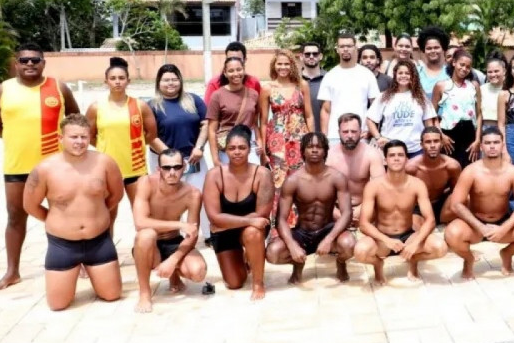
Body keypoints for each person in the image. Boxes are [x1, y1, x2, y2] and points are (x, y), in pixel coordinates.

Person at [0, 43, 79, 290]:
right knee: (16, 216)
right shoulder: (1, 91)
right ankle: (12, 271)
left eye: (35, 60)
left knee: (66, 213)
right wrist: (19, 142)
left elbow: (75, 121)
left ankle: (78, 263)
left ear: (43, 63)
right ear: (16, 63)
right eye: (24, 60)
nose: (30, 64)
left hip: (56, 167)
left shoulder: (59, 88)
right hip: (17, 167)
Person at [23, 113, 123, 310]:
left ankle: (93, 269)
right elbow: (30, 205)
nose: (79, 142)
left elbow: (116, 195)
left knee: (112, 295)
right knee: (58, 305)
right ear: (61, 139)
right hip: (63, 245)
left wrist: (97, 215)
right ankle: (72, 270)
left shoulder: (105, 163)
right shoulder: (44, 169)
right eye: (74, 137)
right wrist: (56, 220)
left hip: (99, 241)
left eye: (84, 137)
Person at [444, 127, 514, 279]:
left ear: (502, 145)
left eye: (496, 142)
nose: (492, 146)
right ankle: (469, 259)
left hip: (502, 221)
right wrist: (481, 227)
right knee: (452, 234)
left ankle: (507, 253)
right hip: (475, 224)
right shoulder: (471, 171)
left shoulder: (513, 172)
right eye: (488, 143)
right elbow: (456, 204)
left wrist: (503, 229)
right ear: (481, 146)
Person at [352, 141, 447, 283]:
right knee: (360, 251)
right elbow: (364, 224)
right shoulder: (374, 186)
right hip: (382, 239)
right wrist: (387, 241)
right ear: (385, 160)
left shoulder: (417, 184)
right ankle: (378, 264)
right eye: (392, 155)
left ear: (406, 159)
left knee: (440, 248)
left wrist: (415, 244)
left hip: (408, 237)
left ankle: (414, 259)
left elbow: (430, 220)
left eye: (400, 155)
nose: (396, 158)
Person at [265, 133, 353, 285]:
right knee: (273, 253)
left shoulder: (337, 177)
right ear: (303, 151)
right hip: (302, 232)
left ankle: (340, 261)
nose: (314, 150)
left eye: (318, 147)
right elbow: (280, 219)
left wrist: (329, 239)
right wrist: (292, 246)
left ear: (325, 151)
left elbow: (347, 213)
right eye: (310, 147)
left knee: (349, 245)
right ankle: (297, 263)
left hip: (327, 228)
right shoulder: (293, 180)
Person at [131, 149, 208, 312]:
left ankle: (174, 275)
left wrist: (173, 260)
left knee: (198, 272)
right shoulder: (146, 183)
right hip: (150, 244)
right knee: (146, 235)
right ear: (158, 169)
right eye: (166, 168)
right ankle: (145, 292)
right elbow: (140, 222)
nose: (172, 172)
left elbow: (192, 235)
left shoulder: (193, 194)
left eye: (177, 167)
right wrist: (179, 225)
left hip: (173, 242)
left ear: (184, 167)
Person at [203, 125, 273, 299]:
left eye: (242, 147)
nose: (237, 152)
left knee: (252, 233)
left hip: (249, 230)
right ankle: (244, 258)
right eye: (232, 148)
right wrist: (247, 220)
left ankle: (258, 282)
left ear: (250, 149)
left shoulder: (262, 174)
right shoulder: (214, 175)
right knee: (234, 283)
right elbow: (213, 216)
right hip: (224, 233)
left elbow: (262, 214)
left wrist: (225, 221)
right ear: (225, 150)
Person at [86, 57, 157, 217]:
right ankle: (108, 243)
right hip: (106, 170)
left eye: (121, 78)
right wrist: (106, 148)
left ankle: (144, 243)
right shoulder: (96, 107)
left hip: (136, 169)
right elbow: (90, 136)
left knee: (143, 214)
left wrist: (133, 145)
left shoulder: (140, 106)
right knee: (108, 215)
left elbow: (151, 134)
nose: (117, 82)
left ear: (128, 81)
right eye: (113, 78)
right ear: (106, 81)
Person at [147, 64, 210, 237]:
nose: (171, 83)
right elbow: (150, 136)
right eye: (166, 80)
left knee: (201, 195)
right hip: (166, 162)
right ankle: (170, 235)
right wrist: (171, 158)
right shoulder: (152, 106)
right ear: (158, 82)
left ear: (180, 81)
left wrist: (199, 147)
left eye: (174, 79)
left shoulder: (193, 100)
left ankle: (208, 235)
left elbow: (205, 124)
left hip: (194, 157)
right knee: (167, 198)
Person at [259, 49, 314, 227]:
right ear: (274, 66)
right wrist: (263, 147)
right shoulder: (267, 88)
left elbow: (309, 115)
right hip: (277, 142)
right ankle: (280, 226)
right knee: (279, 182)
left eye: (286, 63)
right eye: (279, 64)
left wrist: (312, 139)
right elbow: (263, 122)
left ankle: (303, 224)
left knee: (302, 179)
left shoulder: (301, 85)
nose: (283, 67)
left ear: (292, 65)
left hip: (300, 138)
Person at [326, 113, 385, 235]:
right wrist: (335, 212)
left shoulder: (372, 154)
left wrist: (362, 209)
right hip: (336, 209)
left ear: (360, 132)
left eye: (353, 131)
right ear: (338, 132)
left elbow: (380, 189)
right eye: (345, 132)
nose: (350, 136)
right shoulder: (329, 156)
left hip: (365, 207)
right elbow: (320, 192)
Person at [367, 60, 437, 157]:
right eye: (400, 73)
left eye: (407, 73)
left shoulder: (421, 97)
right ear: (395, 75)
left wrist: (428, 142)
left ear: (413, 76)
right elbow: (370, 119)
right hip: (392, 148)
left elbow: (429, 124)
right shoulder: (384, 96)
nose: (403, 76)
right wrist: (378, 137)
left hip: (416, 149)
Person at [317, 32, 380, 134]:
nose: (345, 49)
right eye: (342, 46)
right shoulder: (329, 76)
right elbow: (325, 110)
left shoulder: (367, 75)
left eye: (349, 46)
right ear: (337, 49)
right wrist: (324, 136)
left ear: (355, 48)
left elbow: (375, 106)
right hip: (335, 135)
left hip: (361, 133)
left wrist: (370, 131)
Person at [207, 56, 261, 166]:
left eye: (239, 69)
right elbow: (212, 130)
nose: (236, 74)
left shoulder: (253, 94)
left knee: (253, 180)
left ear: (244, 70)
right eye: (231, 71)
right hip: (228, 148)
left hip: (249, 146)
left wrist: (259, 141)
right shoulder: (217, 95)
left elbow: (255, 123)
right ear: (225, 73)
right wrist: (215, 159)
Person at [432, 49, 482, 168]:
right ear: (454, 62)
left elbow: (479, 114)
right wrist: (441, 136)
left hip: (469, 135)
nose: (464, 69)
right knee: (449, 170)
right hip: (449, 136)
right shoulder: (441, 86)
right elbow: (432, 115)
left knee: (469, 170)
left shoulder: (473, 86)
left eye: (468, 67)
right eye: (462, 64)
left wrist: (477, 140)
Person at [406, 126, 462, 225]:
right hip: (418, 207)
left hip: (441, 205)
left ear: (441, 143)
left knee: (465, 197)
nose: (432, 145)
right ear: (421, 145)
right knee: (415, 228)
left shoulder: (452, 166)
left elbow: (457, 192)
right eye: (428, 142)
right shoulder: (411, 167)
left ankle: (441, 220)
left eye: (436, 141)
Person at [417, 26, 452, 99]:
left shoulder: (451, 72)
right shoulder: (416, 72)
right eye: (429, 48)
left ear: (443, 48)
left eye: (436, 47)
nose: (433, 51)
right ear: (424, 50)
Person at [299, 42, 327, 123]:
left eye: (315, 54)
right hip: (300, 132)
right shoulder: (294, 80)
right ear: (301, 56)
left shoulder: (329, 79)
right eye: (307, 54)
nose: (311, 57)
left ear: (320, 56)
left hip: (324, 132)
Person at [480, 56, 506, 131]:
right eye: (490, 72)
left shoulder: (508, 89)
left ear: (504, 71)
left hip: (504, 129)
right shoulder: (481, 89)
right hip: (484, 128)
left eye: (496, 71)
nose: (493, 75)